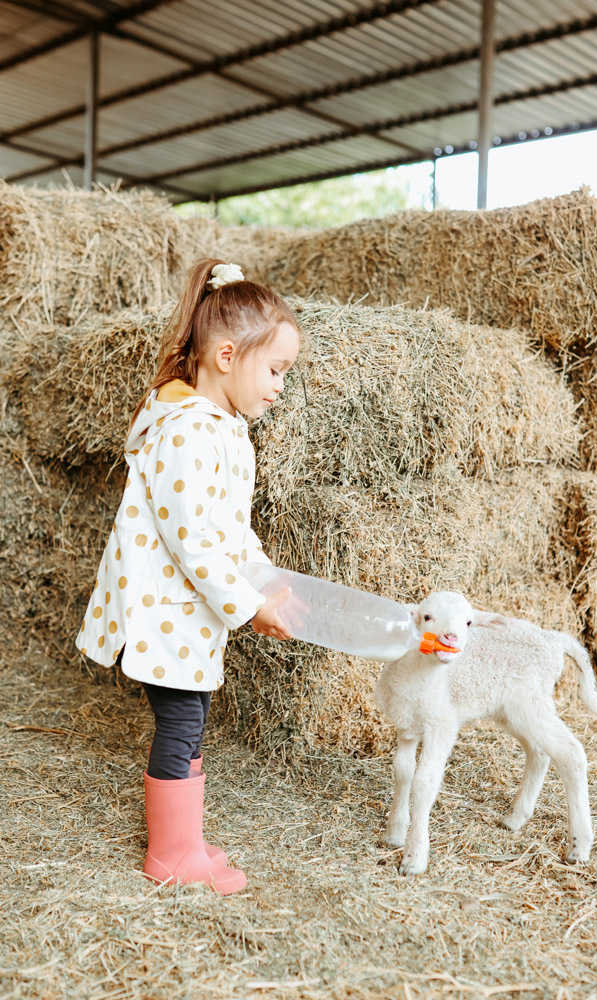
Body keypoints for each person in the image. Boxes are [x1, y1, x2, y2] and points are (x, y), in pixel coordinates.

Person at [76, 258, 300, 894]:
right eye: (276, 370)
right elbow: (194, 540)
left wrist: (265, 579)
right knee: (181, 724)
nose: (280, 386)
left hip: (189, 612)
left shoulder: (220, 428)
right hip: (164, 611)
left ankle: (188, 840)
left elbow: (229, 529)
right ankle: (171, 856)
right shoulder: (187, 433)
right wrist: (247, 605)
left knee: (190, 718)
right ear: (227, 356)